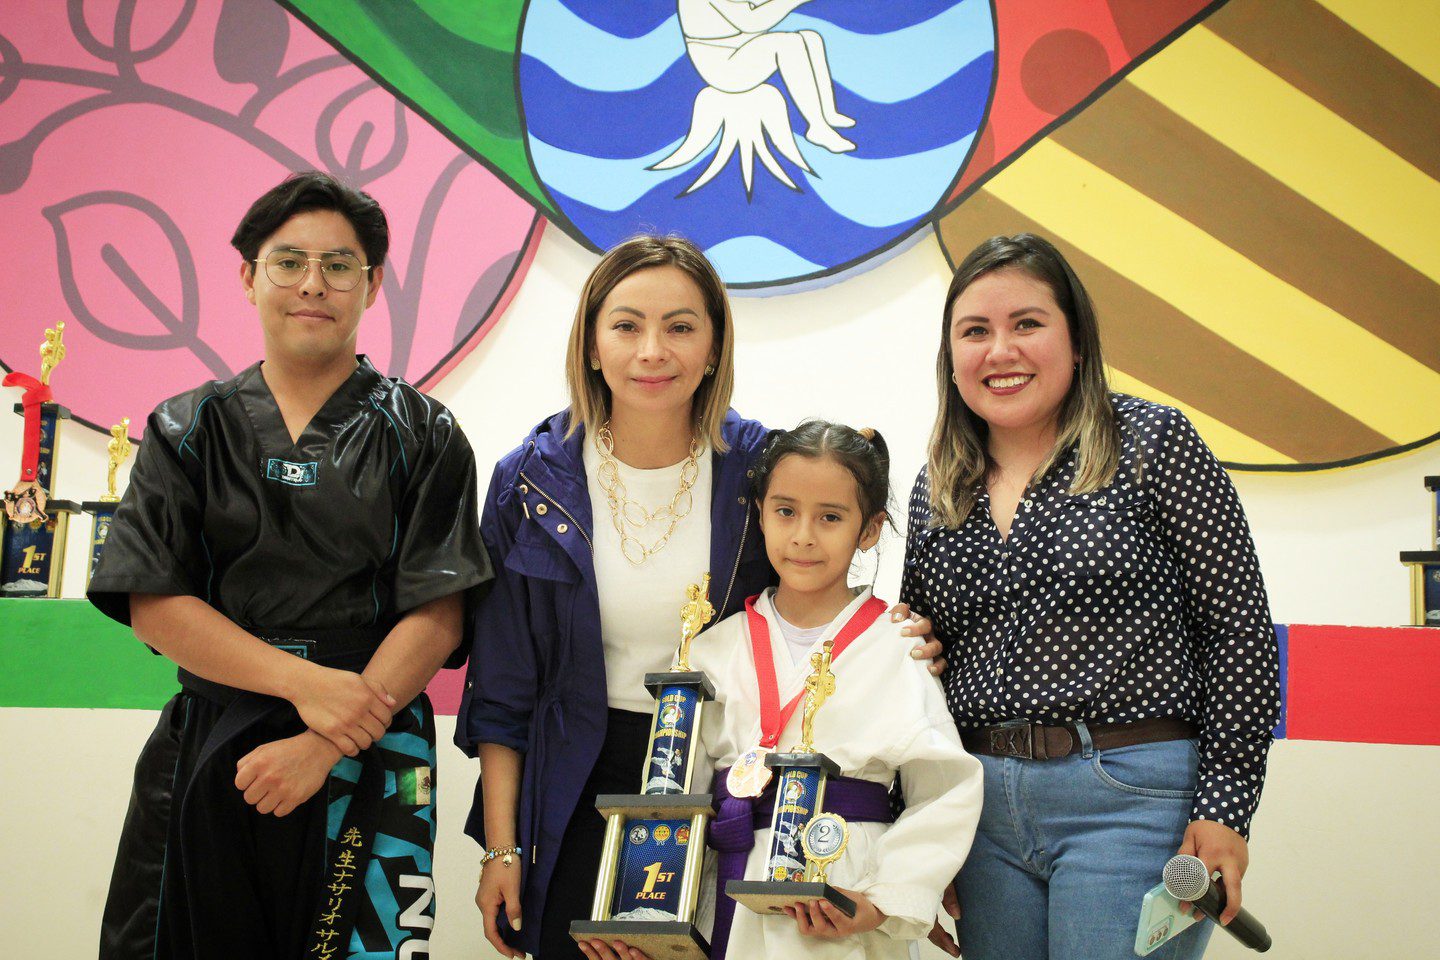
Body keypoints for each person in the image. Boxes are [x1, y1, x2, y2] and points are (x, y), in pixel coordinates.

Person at [457, 236, 942, 959]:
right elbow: (502, 687)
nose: (653, 350)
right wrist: (502, 850)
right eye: (626, 325)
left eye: (681, 327)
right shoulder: (532, 480)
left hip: (729, 787)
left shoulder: (760, 469)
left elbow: (821, 574)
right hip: (577, 778)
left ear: (714, 347)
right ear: (591, 344)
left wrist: (887, 631)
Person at [87, 171, 491, 959]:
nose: (314, 284)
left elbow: (440, 612)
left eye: (340, 265)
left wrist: (330, 738)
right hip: (216, 734)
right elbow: (154, 601)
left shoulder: (426, 431)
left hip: (372, 743)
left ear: (372, 284)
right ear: (248, 275)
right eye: (288, 262)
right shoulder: (186, 427)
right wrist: (308, 688)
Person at [901, 234, 1280, 960]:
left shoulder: (1151, 442)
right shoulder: (934, 487)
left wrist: (1226, 806)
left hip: (1131, 804)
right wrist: (918, 833)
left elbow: (1238, 632)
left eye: (1028, 324)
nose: (1000, 350)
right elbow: (920, 671)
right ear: (951, 357)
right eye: (975, 331)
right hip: (981, 815)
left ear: (1077, 342)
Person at [576, 421, 983, 960]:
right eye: (785, 511)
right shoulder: (708, 652)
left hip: (839, 890)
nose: (803, 536)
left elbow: (944, 788)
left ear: (869, 529)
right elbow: (675, 799)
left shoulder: (896, 645)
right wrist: (653, 921)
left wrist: (884, 900)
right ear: (760, 512)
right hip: (729, 884)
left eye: (831, 517)